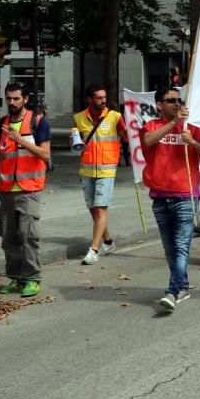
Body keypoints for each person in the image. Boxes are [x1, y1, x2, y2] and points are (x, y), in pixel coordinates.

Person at [0, 82, 52, 298]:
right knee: (9, 237)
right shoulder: (2, 124)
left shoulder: (38, 122)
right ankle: (15, 278)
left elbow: (45, 155)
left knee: (28, 235)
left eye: (16, 98)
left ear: (25, 99)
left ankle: (32, 278)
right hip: (7, 189)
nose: (12, 102)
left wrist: (20, 140)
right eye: (9, 98)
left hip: (30, 190)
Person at [140, 87, 200, 311]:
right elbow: (149, 142)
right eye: (170, 100)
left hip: (185, 195)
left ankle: (172, 291)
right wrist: (173, 124)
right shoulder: (151, 126)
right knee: (170, 249)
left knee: (181, 247)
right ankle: (182, 286)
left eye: (178, 100)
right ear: (159, 105)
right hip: (160, 196)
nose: (176, 103)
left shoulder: (193, 128)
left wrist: (193, 142)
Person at [73, 84, 128, 265]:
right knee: (93, 208)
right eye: (98, 97)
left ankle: (93, 250)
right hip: (87, 169)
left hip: (107, 169)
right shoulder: (79, 118)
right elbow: (75, 141)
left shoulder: (115, 117)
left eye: (104, 97)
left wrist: (131, 130)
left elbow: (127, 138)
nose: (103, 100)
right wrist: (75, 141)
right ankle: (109, 242)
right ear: (89, 99)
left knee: (100, 208)